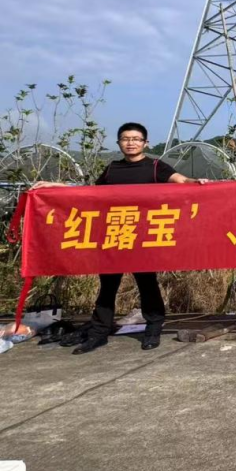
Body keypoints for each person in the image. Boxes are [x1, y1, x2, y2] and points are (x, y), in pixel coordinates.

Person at [33, 122, 207, 354]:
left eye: (136, 139)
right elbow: (90, 194)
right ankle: (98, 333)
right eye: (126, 139)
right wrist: (59, 187)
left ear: (145, 143)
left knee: (147, 284)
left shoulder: (156, 167)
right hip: (114, 235)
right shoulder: (112, 169)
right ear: (119, 143)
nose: (130, 143)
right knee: (107, 286)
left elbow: (182, 181)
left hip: (142, 237)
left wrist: (197, 182)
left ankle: (153, 329)